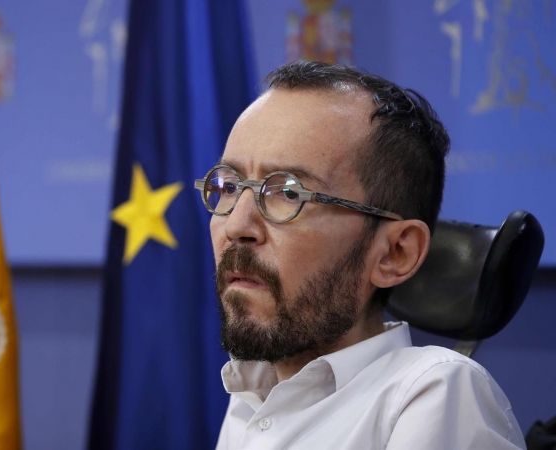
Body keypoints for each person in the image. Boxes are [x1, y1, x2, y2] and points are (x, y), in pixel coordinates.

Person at [194, 60, 525, 449]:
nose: (236, 226)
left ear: (395, 253)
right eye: (229, 186)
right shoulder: (252, 395)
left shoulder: (433, 392)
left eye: (288, 194)